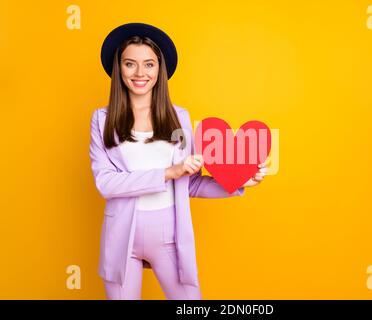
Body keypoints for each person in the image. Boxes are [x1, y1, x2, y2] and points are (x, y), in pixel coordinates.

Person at [89, 23, 268, 300]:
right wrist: (168, 172)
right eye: (130, 64)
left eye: (149, 64)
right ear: (119, 69)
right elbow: (106, 183)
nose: (140, 73)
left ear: (159, 69)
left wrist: (238, 183)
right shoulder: (102, 120)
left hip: (170, 236)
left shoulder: (179, 118)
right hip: (122, 238)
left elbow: (191, 182)